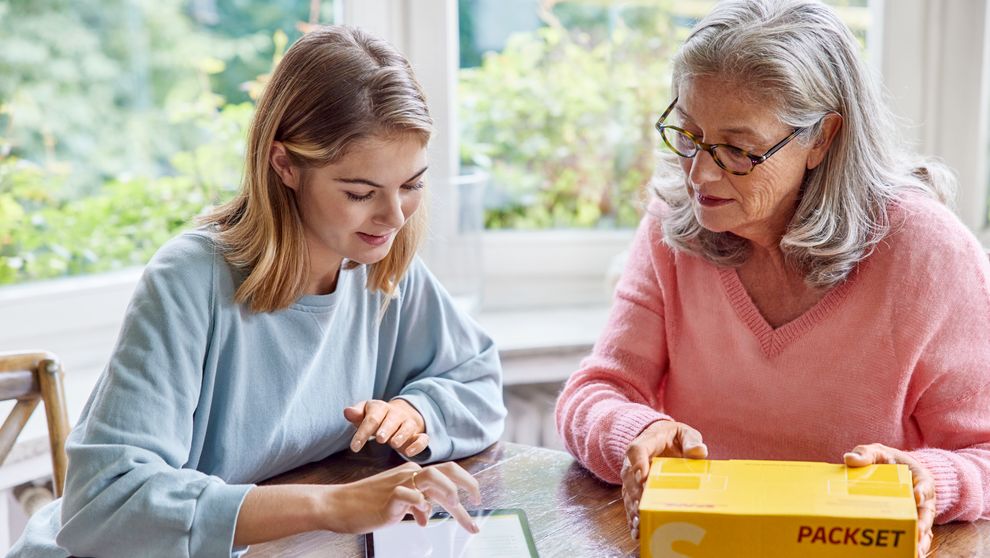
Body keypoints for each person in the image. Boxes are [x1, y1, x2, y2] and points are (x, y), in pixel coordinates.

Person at [10, 25, 506, 558]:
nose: (392, 216)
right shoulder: (190, 279)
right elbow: (105, 505)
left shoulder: (377, 262)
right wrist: (333, 505)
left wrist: (417, 410)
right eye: (361, 192)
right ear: (285, 164)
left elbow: (476, 379)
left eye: (411, 185)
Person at [555, 1, 990, 556]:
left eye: (738, 149)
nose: (699, 172)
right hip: (700, 543)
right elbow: (594, 392)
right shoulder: (672, 222)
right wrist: (635, 434)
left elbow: (983, 451)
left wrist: (928, 480)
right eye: (688, 134)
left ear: (823, 139)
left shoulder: (926, 252)